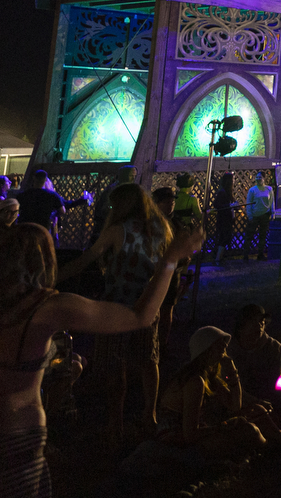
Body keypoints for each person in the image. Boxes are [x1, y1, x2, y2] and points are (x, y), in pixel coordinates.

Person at [1, 221, 203, 497]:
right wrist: (169, 260)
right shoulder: (48, 308)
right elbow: (139, 317)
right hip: (18, 434)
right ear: (45, 261)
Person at [55, 182, 171, 443]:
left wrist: (54, 276)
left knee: (113, 362)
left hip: (116, 306)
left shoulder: (118, 230)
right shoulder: (159, 229)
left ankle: (115, 421)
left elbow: (86, 260)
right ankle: (149, 414)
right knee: (148, 360)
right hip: (148, 302)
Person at [155, 326, 281, 456]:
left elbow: (234, 406)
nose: (225, 348)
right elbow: (189, 434)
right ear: (206, 350)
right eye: (220, 345)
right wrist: (225, 426)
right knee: (248, 430)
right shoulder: (195, 381)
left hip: (196, 431)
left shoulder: (208, 376)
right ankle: (275, 450)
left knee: (256, 410)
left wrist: (233, 374)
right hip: (177, 439)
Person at [15, 170, 90, 242]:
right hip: (43, 228)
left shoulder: (23, 195)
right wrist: (52, 215)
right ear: (45, 181)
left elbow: (17, 210)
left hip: (25, 228)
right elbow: (63, 209)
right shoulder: (52, 195)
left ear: (34, 179)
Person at [244, 172, 274, 262]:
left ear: (264, 179)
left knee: (262, 236)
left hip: (265, 215)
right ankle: (245, 255)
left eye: (260, 177)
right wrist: (250, 215)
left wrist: (272, 212)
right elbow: (248, 203)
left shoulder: (269, 189)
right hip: (254, 215)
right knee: (249, 236)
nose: (258, 179)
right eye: (257, 177)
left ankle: (260, 254)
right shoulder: (252, 190)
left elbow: (272, 202)